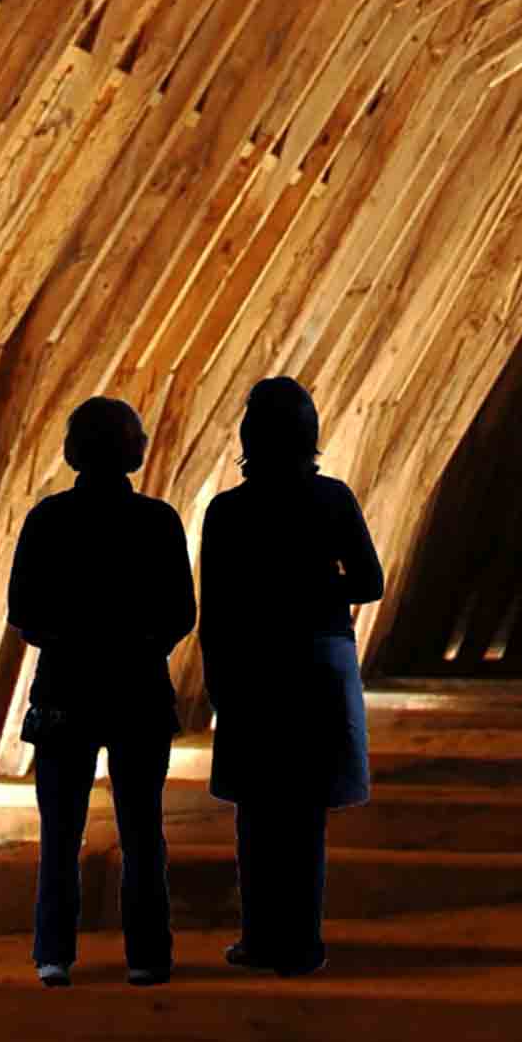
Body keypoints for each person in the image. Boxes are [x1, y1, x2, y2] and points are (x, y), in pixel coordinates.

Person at [3, 394, 195, 985]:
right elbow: (181, 612)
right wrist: (140, 645)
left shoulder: (48, 520)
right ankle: (147, 957)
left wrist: (70, 640)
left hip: (65, 690)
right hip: (138, 689)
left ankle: (54, 955)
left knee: (61, 831)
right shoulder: (158, 522)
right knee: (142, 829)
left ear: (72, 452)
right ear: (135, 453)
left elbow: (23, 611)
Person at [196, 374, 384, 974]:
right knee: (305, 815)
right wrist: (318, 586)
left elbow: (214, 608)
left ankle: (259, 939)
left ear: (249, 436)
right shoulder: (333, 499)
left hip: (253, 664)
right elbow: (370, 582)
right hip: (318, 665)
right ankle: (302, 944)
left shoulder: (229, 511)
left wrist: (217, 682)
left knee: (257, 814)